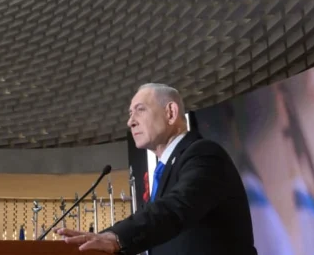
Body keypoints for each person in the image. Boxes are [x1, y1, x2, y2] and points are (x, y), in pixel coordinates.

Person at [57, 83, 257, 254]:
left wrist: (117, 238)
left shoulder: (204, 155)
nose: (130, 121)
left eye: (140, 109)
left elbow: (175, 207)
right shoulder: (165, 170)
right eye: (130, 113)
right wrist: (103, 238)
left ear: (170, 113)